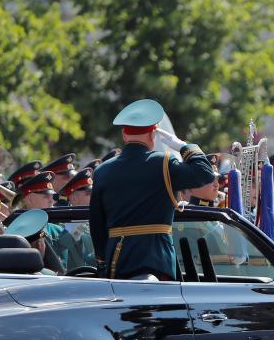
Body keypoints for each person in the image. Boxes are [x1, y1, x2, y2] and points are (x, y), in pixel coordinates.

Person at [90, 98, 215, 280]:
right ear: (152, 135)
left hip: (117, 261)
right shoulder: (164, 163)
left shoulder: (102, 171)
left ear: (124, 135)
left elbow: (97, 225)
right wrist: (183, 146)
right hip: (157, 261)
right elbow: (205, 173)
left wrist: (103, 262)